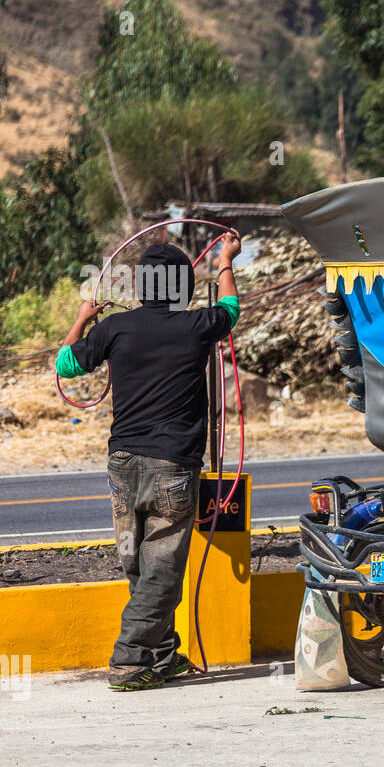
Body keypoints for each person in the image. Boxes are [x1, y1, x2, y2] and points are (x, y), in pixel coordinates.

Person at [56, 233, 241, 690]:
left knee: (139, 565)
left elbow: (65, 365)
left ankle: (163, 655)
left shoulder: (114, 329)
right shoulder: (197, 325)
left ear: (141, 286)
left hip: (122, 464)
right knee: (160, 569)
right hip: (173, 467)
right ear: (181, 288)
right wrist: (224, 262)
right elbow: (232, 310)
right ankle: (130, 661)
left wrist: (81, 319)